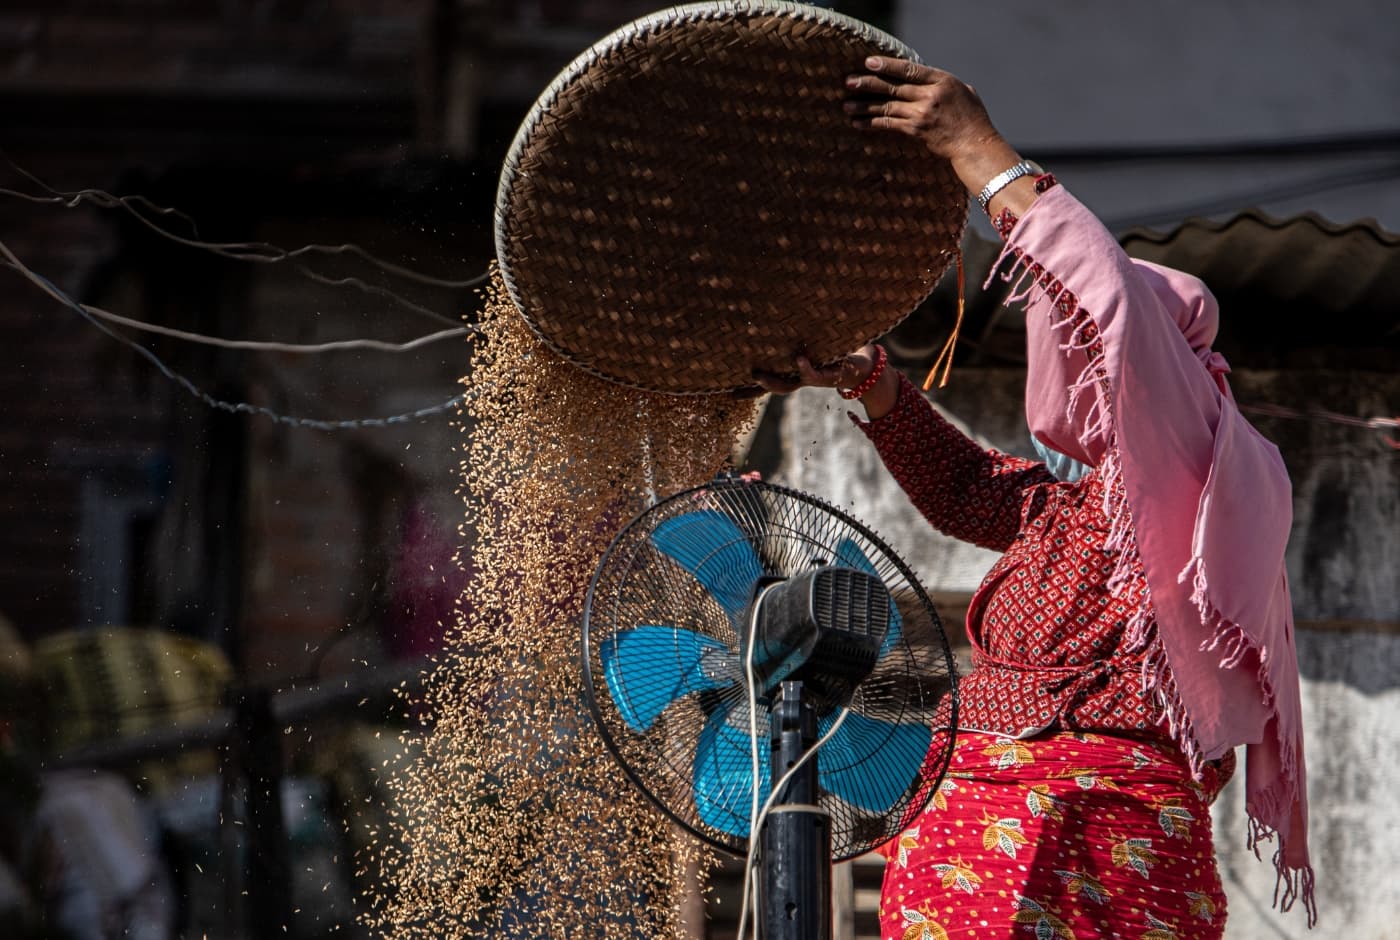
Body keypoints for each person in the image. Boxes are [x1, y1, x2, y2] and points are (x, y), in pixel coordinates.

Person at [756, 56, 1313, 938]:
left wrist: (980, 152)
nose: (1085, 364)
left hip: (1116, 819)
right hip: (977, 800)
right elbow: (970, 488)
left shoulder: (1208, 462)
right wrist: (873, 387)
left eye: (1113, 359)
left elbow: (1106, 310)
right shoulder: (1085, 505)